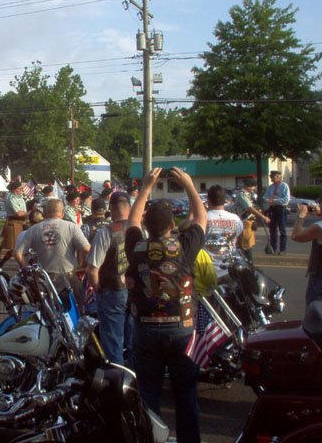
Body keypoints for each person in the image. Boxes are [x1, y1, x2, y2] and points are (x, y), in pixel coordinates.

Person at [125, 167, 207, 443]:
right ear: (172, 225)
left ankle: (151, 439)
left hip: (145, 330)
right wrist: (189, 185)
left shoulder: (136, 247)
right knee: (186, 395)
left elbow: (132, 221)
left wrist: (146, 186)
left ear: (148, 227)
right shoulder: (184, 245)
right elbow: (201, 218)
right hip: (182, 329)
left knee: (148, 396)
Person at [15, 198, 90, 313]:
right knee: (77, 312)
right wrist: (82, 265)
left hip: (44, 279)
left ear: (44, 213)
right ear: (63, 212)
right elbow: (86, 248)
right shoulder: (71, 227)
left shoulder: (34, 229)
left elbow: (18, 254)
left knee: (49, 314)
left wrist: (28, 271)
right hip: (69, 276)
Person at [85, 191, 133, 365]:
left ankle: (118, 381)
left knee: (113, 342)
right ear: (129, 207)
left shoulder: (105, 232)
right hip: (135, 292)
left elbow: (92, 270)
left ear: (111, 209)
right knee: (134, 340)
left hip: (112, 291)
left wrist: (97, 288)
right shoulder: (140, 229)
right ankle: (136, 380)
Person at [204, 185, 243, 278]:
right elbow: (239, 243)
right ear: (224, 200)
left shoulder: (204, 218)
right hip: (229, 271)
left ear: (208, 200)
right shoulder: (236, 219)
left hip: (207, 270)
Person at [233, 178, 270, 262]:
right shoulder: (242, 195)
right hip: (244, 221)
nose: (254, 188)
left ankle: (247, 261)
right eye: (252, 186)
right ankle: (248, 262)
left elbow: (255, 206)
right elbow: (249, 208)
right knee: (245, 244)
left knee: (248, 243)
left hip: (250, 221)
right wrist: (263, 217)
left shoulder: (250, 195)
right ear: (247, 186)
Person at [0, 181, 27, 259]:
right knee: (15, 246)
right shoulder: (11, 198)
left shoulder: (20, 197)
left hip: (22, 222)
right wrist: (30, 213)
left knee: (20, 244)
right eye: (20, 188)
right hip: (14, 222)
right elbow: (18, 213)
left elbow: (23, 211)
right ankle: (1, 264)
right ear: (14, 189)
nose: (21, 190)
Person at [263, 170, 290, 255]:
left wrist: (274, 200)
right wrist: (269, 199)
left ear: (279, 177)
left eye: (273, 177)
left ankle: (282, 249)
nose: (271, 178)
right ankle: (273, 248)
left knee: (282, 230)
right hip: (272, 209)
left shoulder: (284, 186)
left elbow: (286, 199)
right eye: (270, 176)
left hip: (281, 209)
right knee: (272, 230)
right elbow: (265, 197)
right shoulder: (270, 187)